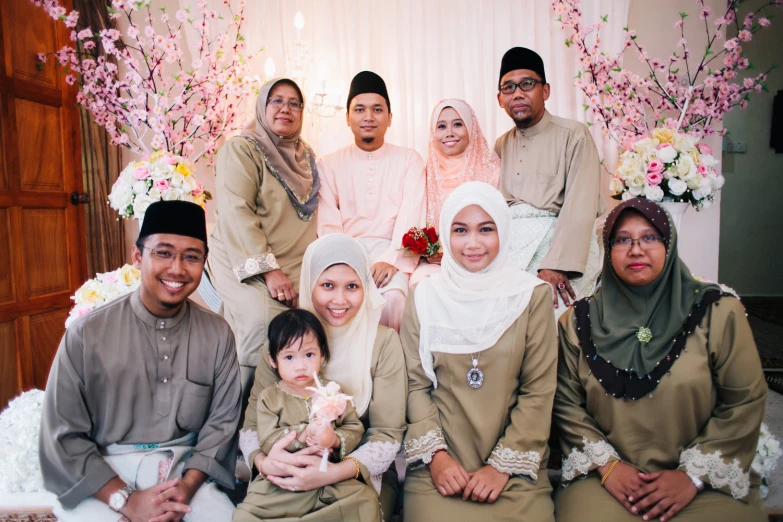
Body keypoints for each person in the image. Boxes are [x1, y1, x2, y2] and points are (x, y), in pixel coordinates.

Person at [553, 198, 767, 522]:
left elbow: (745, 400)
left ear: (669, 244)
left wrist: (691, 477)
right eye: (623, 239)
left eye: (650, 237)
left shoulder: (717, 312)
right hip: (604, 479)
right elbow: (565, 403)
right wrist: (608, 467)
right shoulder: (577, 322)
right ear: (608, 249)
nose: (636, 249)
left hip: (703, 480)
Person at [39, 200, 240, 522]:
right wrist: (125, 500)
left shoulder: (217, 334)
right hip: (104, 472)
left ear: (204, 263)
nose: (177, 268)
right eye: (163, 252)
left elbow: (222, 426)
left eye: (191, 257)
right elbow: (63, 434)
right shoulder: (88, 334)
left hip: (184, 470)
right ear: (138, 256)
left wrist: (185, 489)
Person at [401, 182, 557, 522]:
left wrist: (502, 467)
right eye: (460, 230)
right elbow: (415, 385)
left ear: (503, 231)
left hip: (514, 468)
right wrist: (438, 458)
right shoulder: (424, 296)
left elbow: (539, 390)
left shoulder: (531, 296)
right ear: (445, 234)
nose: (473, 243)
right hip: (438, 471)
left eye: (486, 229)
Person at [238, 234, 407, 521]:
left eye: (352, 286)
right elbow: (252, 425)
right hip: (283, 472)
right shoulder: (283, 341)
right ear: (309, 282)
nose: (339, 300)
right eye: (327, 285)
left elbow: (386, 434)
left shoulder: (383, 343)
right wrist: (266, 464)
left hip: (354, 475)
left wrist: (330, 471)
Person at [207, 77, 320, 406]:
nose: (286, 108)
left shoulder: (307, 158)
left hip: (297, 261)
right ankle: (241, 416)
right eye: (277, 101)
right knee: (262, 321)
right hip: (242, 255)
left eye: (294, 103)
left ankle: (294, 413)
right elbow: (236, 212)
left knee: (316, 318)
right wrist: (269, 270)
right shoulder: (242, 148)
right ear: (262, 106)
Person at [234, 308, 376, 521]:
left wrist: (335, 439)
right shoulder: (269, 397)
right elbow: (267, 440)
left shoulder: (332, 392)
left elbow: (353, 427)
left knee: (365, 499)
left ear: (322, 355)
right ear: (273, 360)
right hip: (281, 482)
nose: (300, 366)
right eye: (289, 357)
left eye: (309, 355)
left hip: (327, 477)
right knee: (245, 514)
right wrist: (303, 434)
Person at [494, 46, 604, 315]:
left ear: (546, 91)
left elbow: (581, 206)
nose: (517, 93)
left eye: (527, 83)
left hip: (560, 247)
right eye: (508, 87)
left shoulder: (574, 135)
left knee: (544, 313)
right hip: (511, 249)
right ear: (500, 99)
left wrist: (556, 264)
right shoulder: (501, 145)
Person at [317, 70, 426, 332]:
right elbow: (328, 224)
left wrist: (392, 261)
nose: (368, 117)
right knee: (333, 301)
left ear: (389, 118)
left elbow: (412, 217)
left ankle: (392, 370)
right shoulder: (328, 164)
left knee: (392, 299)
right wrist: (348, 262)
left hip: (392, 255)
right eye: (360, 109)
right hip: (343, 256)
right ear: (347, 117)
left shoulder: (409, 160)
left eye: (377, 110)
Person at [410, 98, 501, 286]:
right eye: (441, 126)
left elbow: (500, 224)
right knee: (420, 283)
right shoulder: (424, 173)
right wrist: (428, 251)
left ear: (471, 128)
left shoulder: (493, 169)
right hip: (436, 265)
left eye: (458, 124)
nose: (449, 133)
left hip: (481, 258)